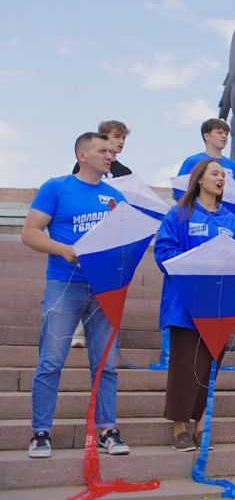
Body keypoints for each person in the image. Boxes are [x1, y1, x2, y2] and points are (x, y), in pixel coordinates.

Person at [22, 133, 129, 458]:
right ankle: (41, 433)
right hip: (64, 284)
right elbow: (30, 233)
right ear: (82, 154)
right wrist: (64, 250)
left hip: (104, 289)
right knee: (51, 360)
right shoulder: (56, 187)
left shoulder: (114, 196)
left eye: (112, 151)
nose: (110, 155)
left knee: (106, 365)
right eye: (103, 150)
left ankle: (107, 430)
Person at [155, 160, 235, 451]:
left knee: (210, 365)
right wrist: (201, 258)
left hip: (217, 306)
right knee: (184, 366)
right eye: (215, 174)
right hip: (184, 304)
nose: (221, 179)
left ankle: (202, 423)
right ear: (199, 180)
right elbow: (164, 252)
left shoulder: (231, 220)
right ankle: (180, 427)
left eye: (224, 175)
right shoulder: (180, 213)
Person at [70, 120, 132, 348]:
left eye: (124, 138)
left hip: (112, 234)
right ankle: (77, 330)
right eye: (117, 136)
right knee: (81, 282)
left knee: (107, 286)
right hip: (87, 231)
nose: (121, 141)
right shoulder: (83, 166)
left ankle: (106, 335)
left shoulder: (125, 172)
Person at [177, 119, 235, 249]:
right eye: (219, 132)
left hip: (226, 224)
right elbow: (179, 194)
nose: (224, 136)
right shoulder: (192, 162)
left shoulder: (232, 165)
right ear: (207, 136)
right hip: (198, 221)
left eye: (226, 134)